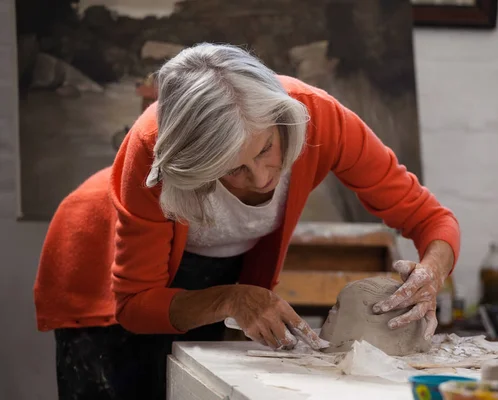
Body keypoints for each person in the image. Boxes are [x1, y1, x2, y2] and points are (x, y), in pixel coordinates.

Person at [33, 43, 460, 399]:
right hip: (100, 268)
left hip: (218, 269)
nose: (260, 179)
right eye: (232, 169)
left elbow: (429, 218)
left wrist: (432, 271)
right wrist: (230, 300)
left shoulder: (319, 117)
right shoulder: (154, 153)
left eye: (264, 150)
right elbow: (134, 305)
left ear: (281, 121)